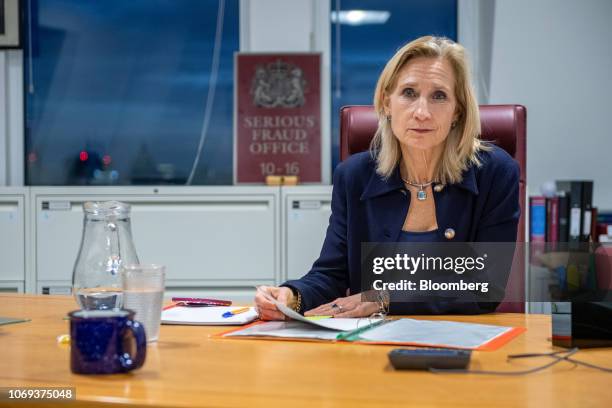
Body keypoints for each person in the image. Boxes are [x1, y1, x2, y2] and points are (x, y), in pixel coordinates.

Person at [255, 36, 520, 320]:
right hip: (370, 344)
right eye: (408, 92)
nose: (422, 112)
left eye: (439, 96)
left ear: (457, 111)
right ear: (386, 102)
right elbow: (331, 274)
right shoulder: (353, 176)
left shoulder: (494, 172)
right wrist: (292, 297)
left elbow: (484, 286)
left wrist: (385, 299)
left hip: (459, 342)